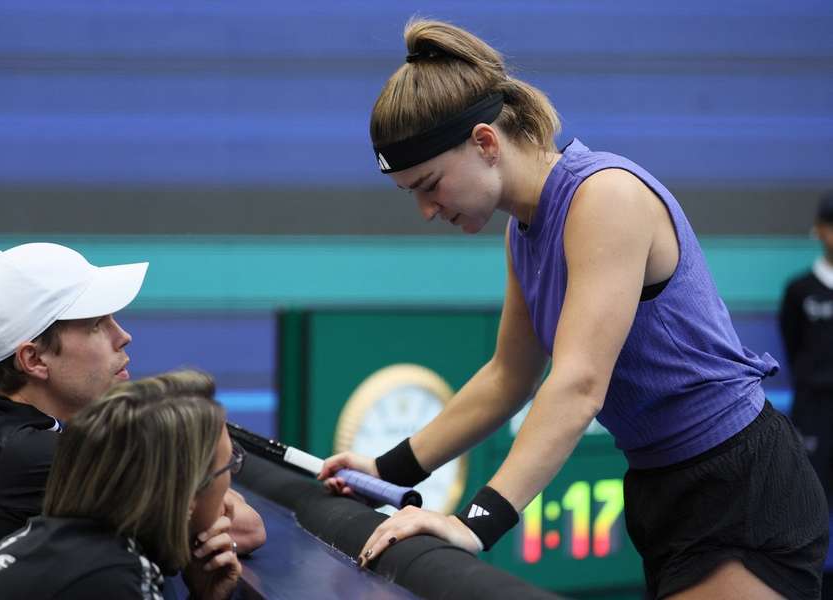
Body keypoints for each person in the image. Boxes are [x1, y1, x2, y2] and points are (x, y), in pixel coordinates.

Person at [320, 19, 828, 600]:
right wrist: (385, 472)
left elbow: (579, 382)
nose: (427, 210)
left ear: (485, 143)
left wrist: (474, 524)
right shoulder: (522, 232)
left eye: (429, 184)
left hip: (739, 486)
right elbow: (508, 377)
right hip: (662, 490)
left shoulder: (605, 197)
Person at [0, 243, 265, 579]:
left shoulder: (4, 440)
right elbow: (247, 529)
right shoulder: (32, 459)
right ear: (34, 359)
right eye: (95, 324)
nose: (123, 336)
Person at [0, 369, 243, 599]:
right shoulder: (113, 577)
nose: (229, 498)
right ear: (185, 497)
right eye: (230, 465)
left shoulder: (69, 542)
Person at [780, 192, 833, 502]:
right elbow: (792, 342)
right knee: (811, 498)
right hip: (813, 408)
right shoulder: (800, 290)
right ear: (820, 229)